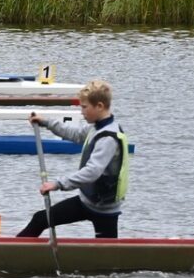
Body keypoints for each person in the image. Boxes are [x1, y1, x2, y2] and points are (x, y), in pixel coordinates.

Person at [17, 80, 129, 239]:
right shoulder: (97, 127)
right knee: (40, 219)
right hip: (87, 201)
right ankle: (7, 255)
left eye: (84, 107)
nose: (81, 112)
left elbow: (92, 172)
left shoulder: (108, 138)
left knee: (107, 257)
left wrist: (57, 184)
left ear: (99, 106)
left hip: (105, 210)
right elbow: (75, 134)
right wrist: (46, 122)